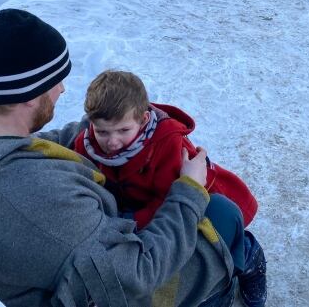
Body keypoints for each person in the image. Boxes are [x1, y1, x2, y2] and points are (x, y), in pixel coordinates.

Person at [0, 9, 241, 307]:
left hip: (8, 257)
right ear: (30, 94)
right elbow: (135, 275)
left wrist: (102, 130)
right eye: (56, 81)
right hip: (98, 283)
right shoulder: (38, 200)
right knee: (223, 215)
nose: (63, 89)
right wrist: (189, 190)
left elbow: (27, 146)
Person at [72, 70, 267, 307]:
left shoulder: (167, 145)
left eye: (123, 131)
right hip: (139, 209)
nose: (112, 142)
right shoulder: (87, 144)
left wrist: (129, 221)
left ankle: (249, 259)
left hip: (193, 201)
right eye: (103, 131)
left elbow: (170, 200)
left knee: (214, 239)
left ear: (143, 120)